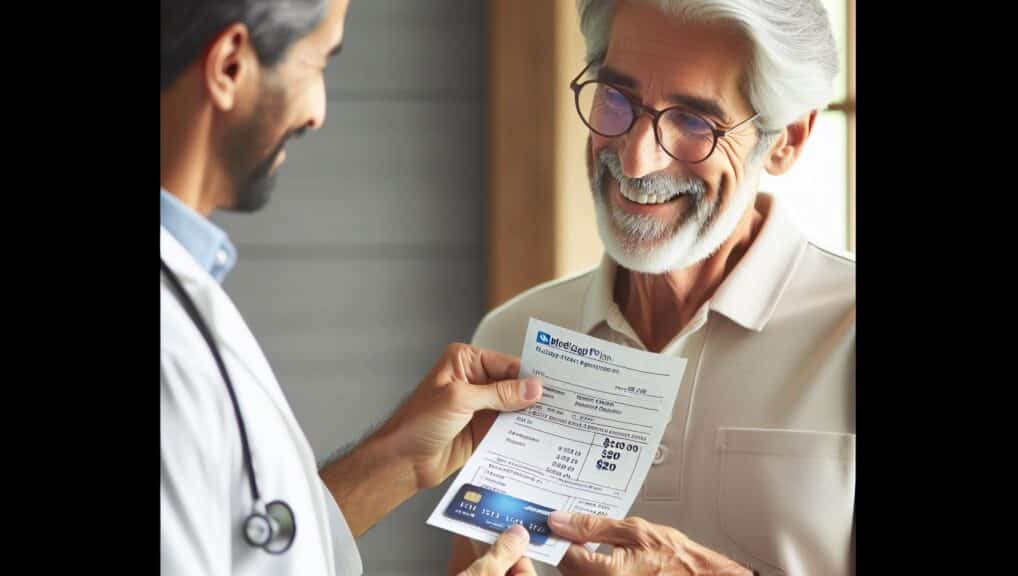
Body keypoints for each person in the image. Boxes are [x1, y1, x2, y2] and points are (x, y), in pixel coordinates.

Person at [450, 1, 854, 574]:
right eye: (617, 99)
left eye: (694, 121)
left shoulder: (846, 330)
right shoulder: (513, 333)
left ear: (787, 139)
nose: (636, 160)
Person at [161, 0, 545, 573]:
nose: (318, 112)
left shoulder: (187, 285)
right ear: (230, 66)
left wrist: (397, 462)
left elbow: (249, 546)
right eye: (317, 62)